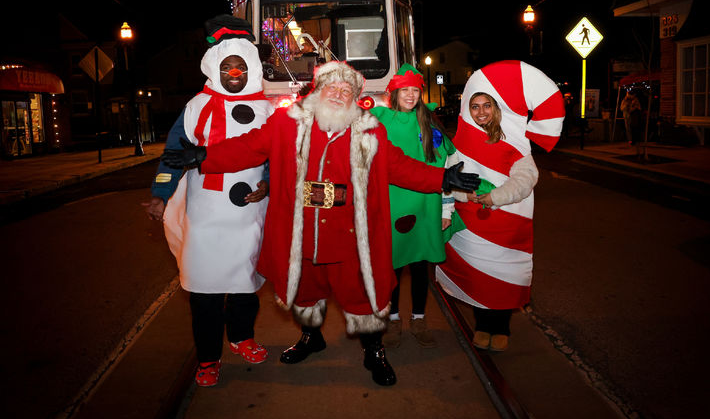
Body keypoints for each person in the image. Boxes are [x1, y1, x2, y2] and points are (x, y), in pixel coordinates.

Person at [161, 61, 480, 386]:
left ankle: (374, 350)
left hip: (349, 233)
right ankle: (312, 338)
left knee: (362, 294)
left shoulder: (369, 129)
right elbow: (249, 146)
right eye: (333, 88)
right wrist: (205, 156)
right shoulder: (287, 124)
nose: (339, 95)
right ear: (317, 91)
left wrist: (442, 177)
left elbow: (398, 166)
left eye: (347, 90)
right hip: (302, 231)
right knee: (304, 290)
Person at [146, 15, 273, 387]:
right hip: (204, 214)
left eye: (240, 66)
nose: (234, 72)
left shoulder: (266, 109)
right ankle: (208, 357)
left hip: (249, 213)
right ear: (216, 69)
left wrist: (266, 183)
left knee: (245, 285)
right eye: (226, 66)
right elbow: (172, 154)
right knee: (203, 291)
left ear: (250, 68)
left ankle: (241, 337)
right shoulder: (196, 107)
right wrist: (160, 195)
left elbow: (275, 158)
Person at [436, 60, 564, 352]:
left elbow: (526, 178)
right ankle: (482, 326)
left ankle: (501, 328)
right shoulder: (458, 145)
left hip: (505, 223)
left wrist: (496, 197)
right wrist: (465, 196)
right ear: (467, 110)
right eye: (475, 106)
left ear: (496, 109)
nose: (481, 112)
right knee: (478, 277)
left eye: (486, 106)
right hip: (471, 223)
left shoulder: (513, 142)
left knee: (503, 275)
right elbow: (448, 180)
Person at [369, 64, 455, 348]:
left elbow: (447, 168)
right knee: (391, 267)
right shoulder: (379, 121)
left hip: (425, 206)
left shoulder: (430, 126)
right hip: (390, 205)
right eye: (404, 90)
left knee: (420, 268)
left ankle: (419, 317)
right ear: (393, 93)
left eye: (415, 90)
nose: (410, 95)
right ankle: (392, 319)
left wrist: (446, 209)